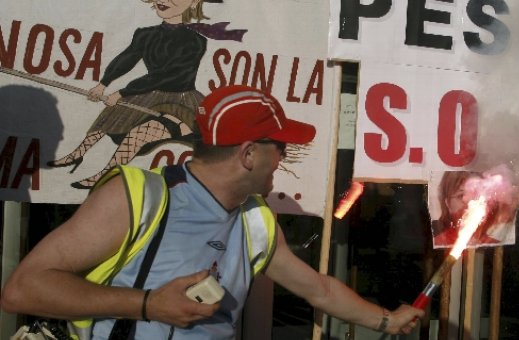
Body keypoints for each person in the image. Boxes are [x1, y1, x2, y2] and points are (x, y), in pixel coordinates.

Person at [1, 85, 424, 339]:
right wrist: (149, 305)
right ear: (248, 154)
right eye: (279, 146)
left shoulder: (255, 217)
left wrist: (386, 320)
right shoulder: (138, 196)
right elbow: (23, 290)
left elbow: (317, 290)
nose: (284, 156)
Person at [47, 0, 246, 189]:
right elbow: (126, 59)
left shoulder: (195, 41)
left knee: (139, 134)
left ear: (194, 2)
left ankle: (106, 174)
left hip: (181, 102)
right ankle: (78, 153)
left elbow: (168, 76)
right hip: (147, 94)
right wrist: (103, 84)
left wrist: (123, 92)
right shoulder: (145, 34)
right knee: (111, 116)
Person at [431, 170, 519, 248]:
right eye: (460, 196)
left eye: (475, 194)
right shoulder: (438, 244)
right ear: (448, 204)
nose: (469, 202)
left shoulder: (495, 247)